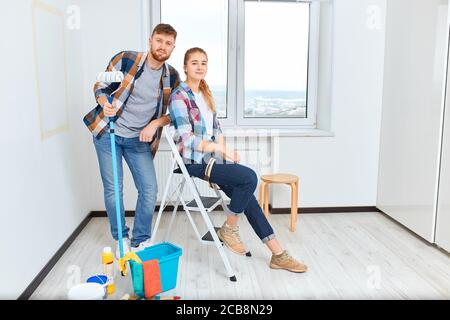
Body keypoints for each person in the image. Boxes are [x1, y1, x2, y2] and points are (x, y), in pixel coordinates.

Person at [168, 47, 307, 273]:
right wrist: (219, 150)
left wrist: (224, 150)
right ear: (185, 66)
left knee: (247, 196)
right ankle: (229, 229)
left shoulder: (205, 93)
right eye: (194, 63)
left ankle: (278, 254)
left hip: (212, 157)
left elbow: (216, 128)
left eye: (204, 62)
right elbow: (187, 138)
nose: (200, 67)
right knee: (249, 178)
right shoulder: (179, 96)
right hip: (194, 161)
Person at [83, 24, 180, 258]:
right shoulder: (126, 59)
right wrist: (103, 101)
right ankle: (122, 239)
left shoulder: (172, 77)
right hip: (109, 134)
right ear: (150, 40)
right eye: (159, 40)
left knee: (149, 190)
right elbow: (100, 85)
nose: (162, 46)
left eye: (168, 43)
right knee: (114, 190)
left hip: (139, 141)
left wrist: (155, 123)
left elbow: (176, 112)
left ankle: (140, 240)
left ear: (173, 47)